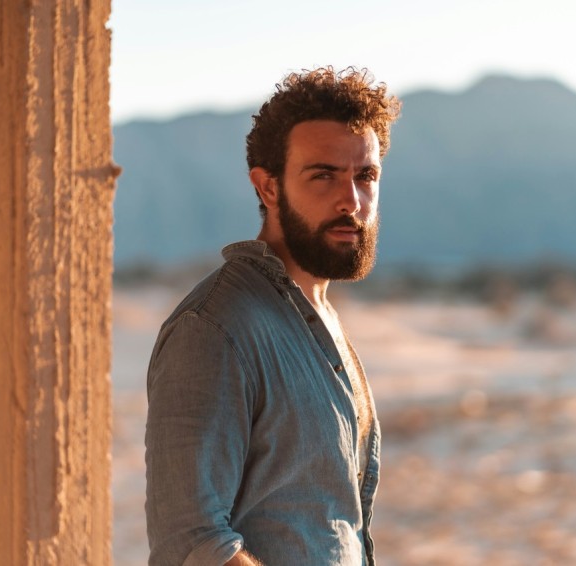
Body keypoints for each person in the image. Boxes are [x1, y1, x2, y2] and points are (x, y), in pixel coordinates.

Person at [145, 67, 402, 566]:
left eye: (364, 176)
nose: (351, 201)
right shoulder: (216, 327)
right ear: (267, 187)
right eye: (323, 175)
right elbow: (190, 542)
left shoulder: (317, 316)